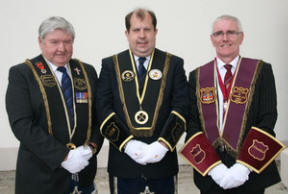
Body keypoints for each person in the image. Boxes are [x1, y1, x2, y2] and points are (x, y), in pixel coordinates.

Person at [180, 15, 285, 194]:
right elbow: (192, 123)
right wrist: (214, 168)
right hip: (211, 173)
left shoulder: (261, 71)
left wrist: (244, 168)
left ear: (241, 37)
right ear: (212, 39)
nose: (225, 38)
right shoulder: (197, 76)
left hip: (249, 172)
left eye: (231, 32)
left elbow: (267, 119)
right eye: (219, 33)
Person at [6, 16, 103, 194]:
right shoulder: (22, 74)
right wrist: (63, 156)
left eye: (67, 41)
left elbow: (100, 117)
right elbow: (22, 124)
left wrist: (91, 148)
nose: (62, 48)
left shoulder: (86, 71)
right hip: (42, 179)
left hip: (84, 174)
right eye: (54, 42)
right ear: (40, 42)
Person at [96, 8, 189, 194]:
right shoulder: (111, 65)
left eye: (147, 29)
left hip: (162, 163)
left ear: (155, 31)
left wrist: (163, 145)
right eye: (136, 30)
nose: (142, 36)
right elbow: (102, 108)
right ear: (127, 33)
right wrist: (128, 144)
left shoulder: (173, 64)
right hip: (124, 163)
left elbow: (182, 106)